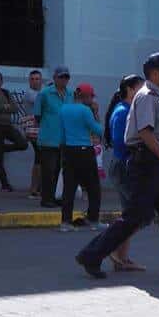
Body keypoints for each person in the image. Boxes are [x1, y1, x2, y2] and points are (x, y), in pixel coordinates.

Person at [76, 52, 159, 281]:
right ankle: (91, 254)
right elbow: (145, 133)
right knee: (136, 216)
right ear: (154, 74)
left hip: (157, 164)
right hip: (147, 163)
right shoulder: (146, 97)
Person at [103, 74, 146, 272]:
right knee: (140, 213)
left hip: (123, 165)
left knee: (130, 214)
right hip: (123, 167)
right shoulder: (123, 112)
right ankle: (111, 247)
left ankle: (122, 258)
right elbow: (122, 142)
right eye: (140, 88)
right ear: (130, 90)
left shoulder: (127, 110)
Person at [57, 83, 104, 232]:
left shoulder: (63, 109)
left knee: (69, 188)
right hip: (84, 150)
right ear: (86, 96)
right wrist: (96, 113)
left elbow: (61, 133)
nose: (92, 100)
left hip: (68, 149)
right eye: (91, 97)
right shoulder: (85, 110)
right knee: (93, 187)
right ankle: (93, 219)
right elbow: (97, 129)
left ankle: (65, 222)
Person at [34, 66, 73, 208]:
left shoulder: (70, 94)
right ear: (55, 78)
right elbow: (37, 115)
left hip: (64, 139)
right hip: (48, 138)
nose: (64, 80)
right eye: (61, 77)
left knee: (58, 170)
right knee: (48, 170)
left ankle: (53, 196)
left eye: (66, 77)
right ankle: (46, 198)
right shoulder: (45, 94)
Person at [22, 69, 44, 197]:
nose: (35, 81)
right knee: (40, 157)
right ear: (29, 81)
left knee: (41, 158)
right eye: (33, 79)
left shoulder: (42, 92)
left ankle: (37, 188)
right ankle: (34, 188)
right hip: (34, 130)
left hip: (42, 129)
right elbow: (42, 102)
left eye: (37, 79)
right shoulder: (30, 94)